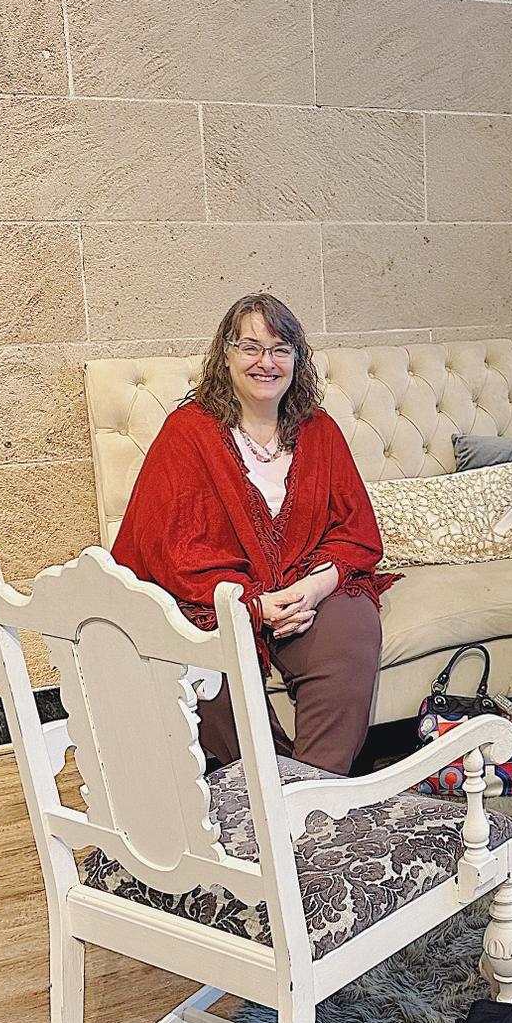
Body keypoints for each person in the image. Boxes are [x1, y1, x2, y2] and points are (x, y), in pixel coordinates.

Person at [112, 294, 395, 774]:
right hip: (219, 596)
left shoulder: (319, 430)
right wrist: (254, 605)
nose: (267, 362)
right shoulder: (187, 432)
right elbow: (168, 547)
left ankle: (317, 791)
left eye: (281, 349)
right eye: (251, 348)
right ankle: (270, 787)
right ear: (225, 355)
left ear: (297, 359)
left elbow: (355, 531)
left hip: (308, 585)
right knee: (202, 661)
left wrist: (311, 589)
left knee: (352, 633)